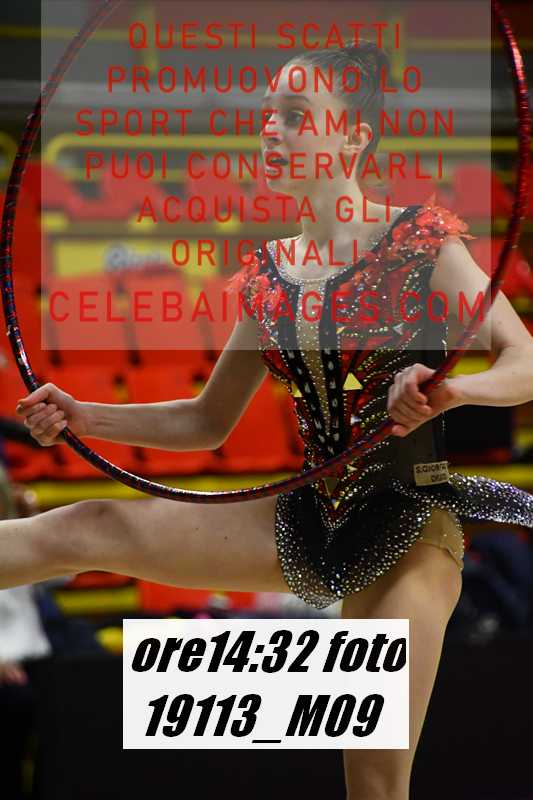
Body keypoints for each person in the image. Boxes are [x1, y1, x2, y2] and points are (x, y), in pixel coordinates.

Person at [2, 42, 533, 800]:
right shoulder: (271, 275)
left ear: (352, 136)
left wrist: (454, 392)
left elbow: (523, 358)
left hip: (409, 523)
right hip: (309, 515)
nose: (271, 131)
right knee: (85, 526)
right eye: (268, 116)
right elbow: (205, 420)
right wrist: (85, 414)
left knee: (373, 780)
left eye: (294, 115)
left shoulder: (419, 242)